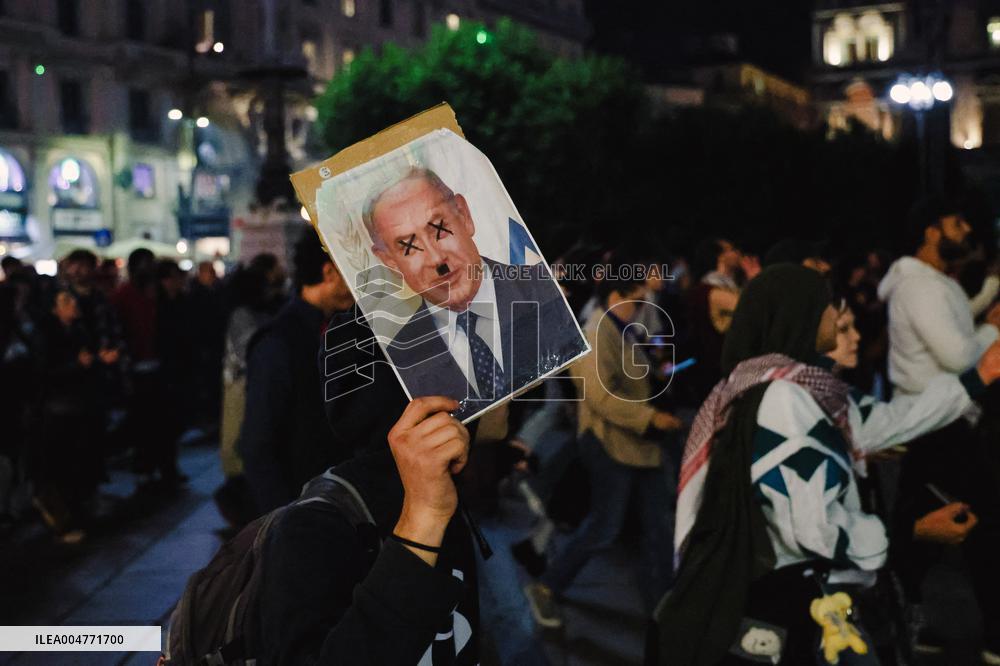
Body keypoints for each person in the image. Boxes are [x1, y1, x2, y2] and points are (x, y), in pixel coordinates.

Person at [650, 264, 1000, 665]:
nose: (841, 321)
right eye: (830, 310)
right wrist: (909, 532)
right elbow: (812, 530)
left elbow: (890, 421)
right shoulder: (784, 402)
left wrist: (978, 376)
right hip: (800, 603)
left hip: (807, 598)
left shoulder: (804, 392)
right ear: (801, 317)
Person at [523, 271, 684, 628]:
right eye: (637, 302)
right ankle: (548, 587)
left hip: (638, 444)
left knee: (657, 527)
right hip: (611, 443)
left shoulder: (621, 330)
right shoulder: (597, 333)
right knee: (605, 526)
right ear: (616, 295)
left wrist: (654, 376)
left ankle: (663, 608)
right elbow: (601, 397)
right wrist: (650, 417)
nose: (642, 311)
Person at [877, 197, 1000, 660]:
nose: (965, 230)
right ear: (931, 232)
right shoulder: (920, 288)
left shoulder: (929, 283)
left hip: (939, 418)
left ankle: (904, 619)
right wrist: (992, 334)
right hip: (939, 420)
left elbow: (956, 332)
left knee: (918, 526)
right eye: (956, 222)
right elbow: (959, 356)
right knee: (984, 523)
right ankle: (993, 638)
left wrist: (983, 316)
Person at [362, 166, 586, 420]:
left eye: (439, 229)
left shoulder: (545, 291)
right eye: (409, 247)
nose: (436, 258)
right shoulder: (399, 359)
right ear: (388, 260)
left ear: (464, 215)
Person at [239, 231, 355, 515]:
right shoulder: (279, 342)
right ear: (329, 272)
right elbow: (258, 446)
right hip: (301, 507)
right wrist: (285, 520)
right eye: (354, 269)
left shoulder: (344, 328)